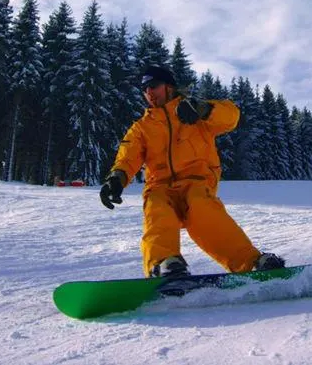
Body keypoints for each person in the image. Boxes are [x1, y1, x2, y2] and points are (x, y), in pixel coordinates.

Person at [99, 65, 284, 278]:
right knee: (157, 210)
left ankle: (250, 263)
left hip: (196, 181)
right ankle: (163, 264)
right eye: (144, 89)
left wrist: (203, 109)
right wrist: (117, 178)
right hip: (160, 186)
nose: (149, 92)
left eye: (153, 86)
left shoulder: (192, 112)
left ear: (169, 87)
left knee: (203, 209)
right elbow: (128, 156)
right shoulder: (141, 128)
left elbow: (231, 116)